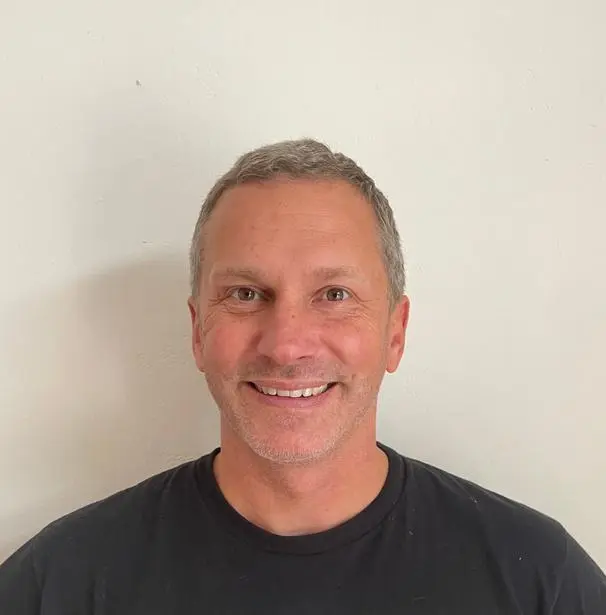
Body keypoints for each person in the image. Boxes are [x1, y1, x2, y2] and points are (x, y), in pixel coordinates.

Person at [0, 139, 604, 614]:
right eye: (245, 293)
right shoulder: (60, 584)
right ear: (198, 331)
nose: (287, 345)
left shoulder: (539, 582)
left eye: (334, 294)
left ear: (395, 332)